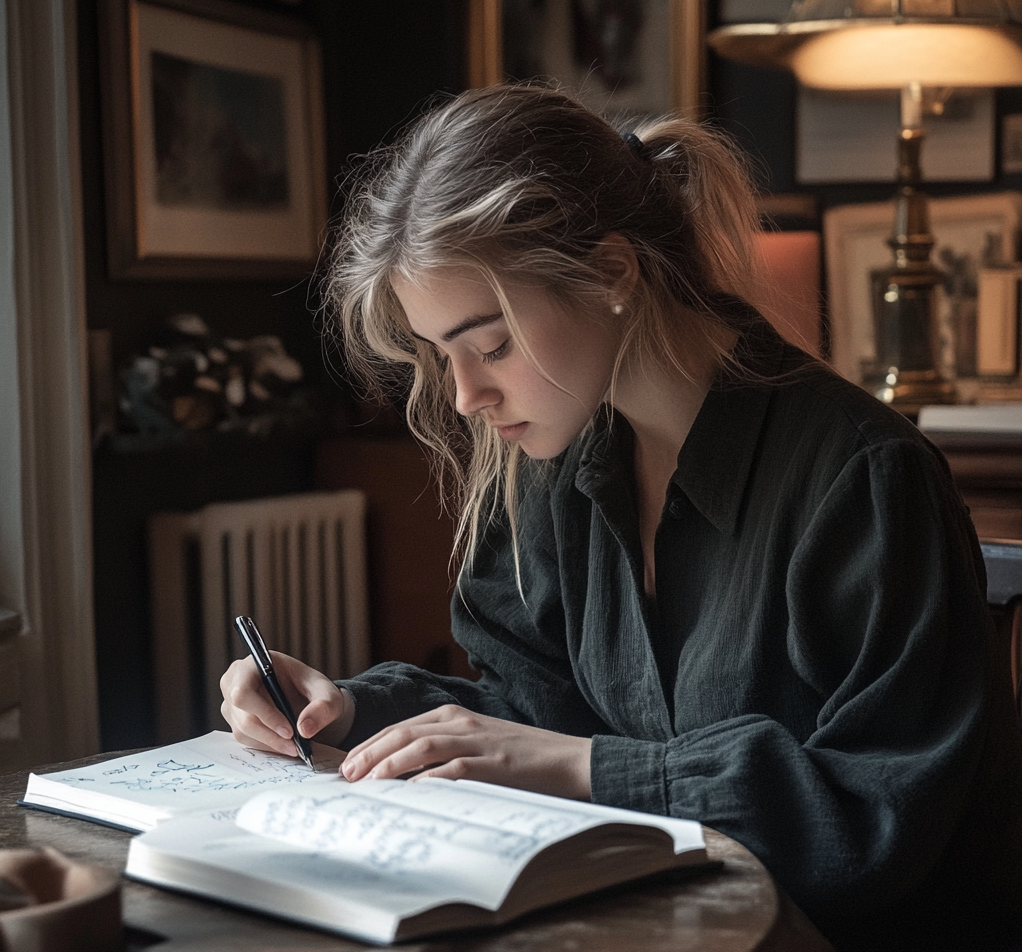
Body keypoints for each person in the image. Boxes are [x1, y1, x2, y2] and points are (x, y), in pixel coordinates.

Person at [220, 84, 1022, 950]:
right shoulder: (552, 463)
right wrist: (347, 710)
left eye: (490, 345)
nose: (465, 396)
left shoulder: (862, 476)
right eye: (439, 354)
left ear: (611, 270)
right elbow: (524, 714)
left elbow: (878, 813)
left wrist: (587, 768)